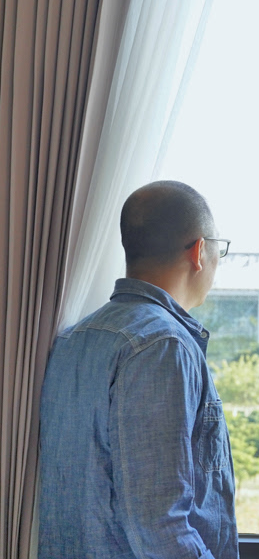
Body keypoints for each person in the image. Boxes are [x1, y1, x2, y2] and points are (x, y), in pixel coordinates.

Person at [39, 181, 238, 558]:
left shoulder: (74, 339)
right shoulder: (163, 346)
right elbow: (158, 523)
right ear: (199, 251)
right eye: (218, 250)